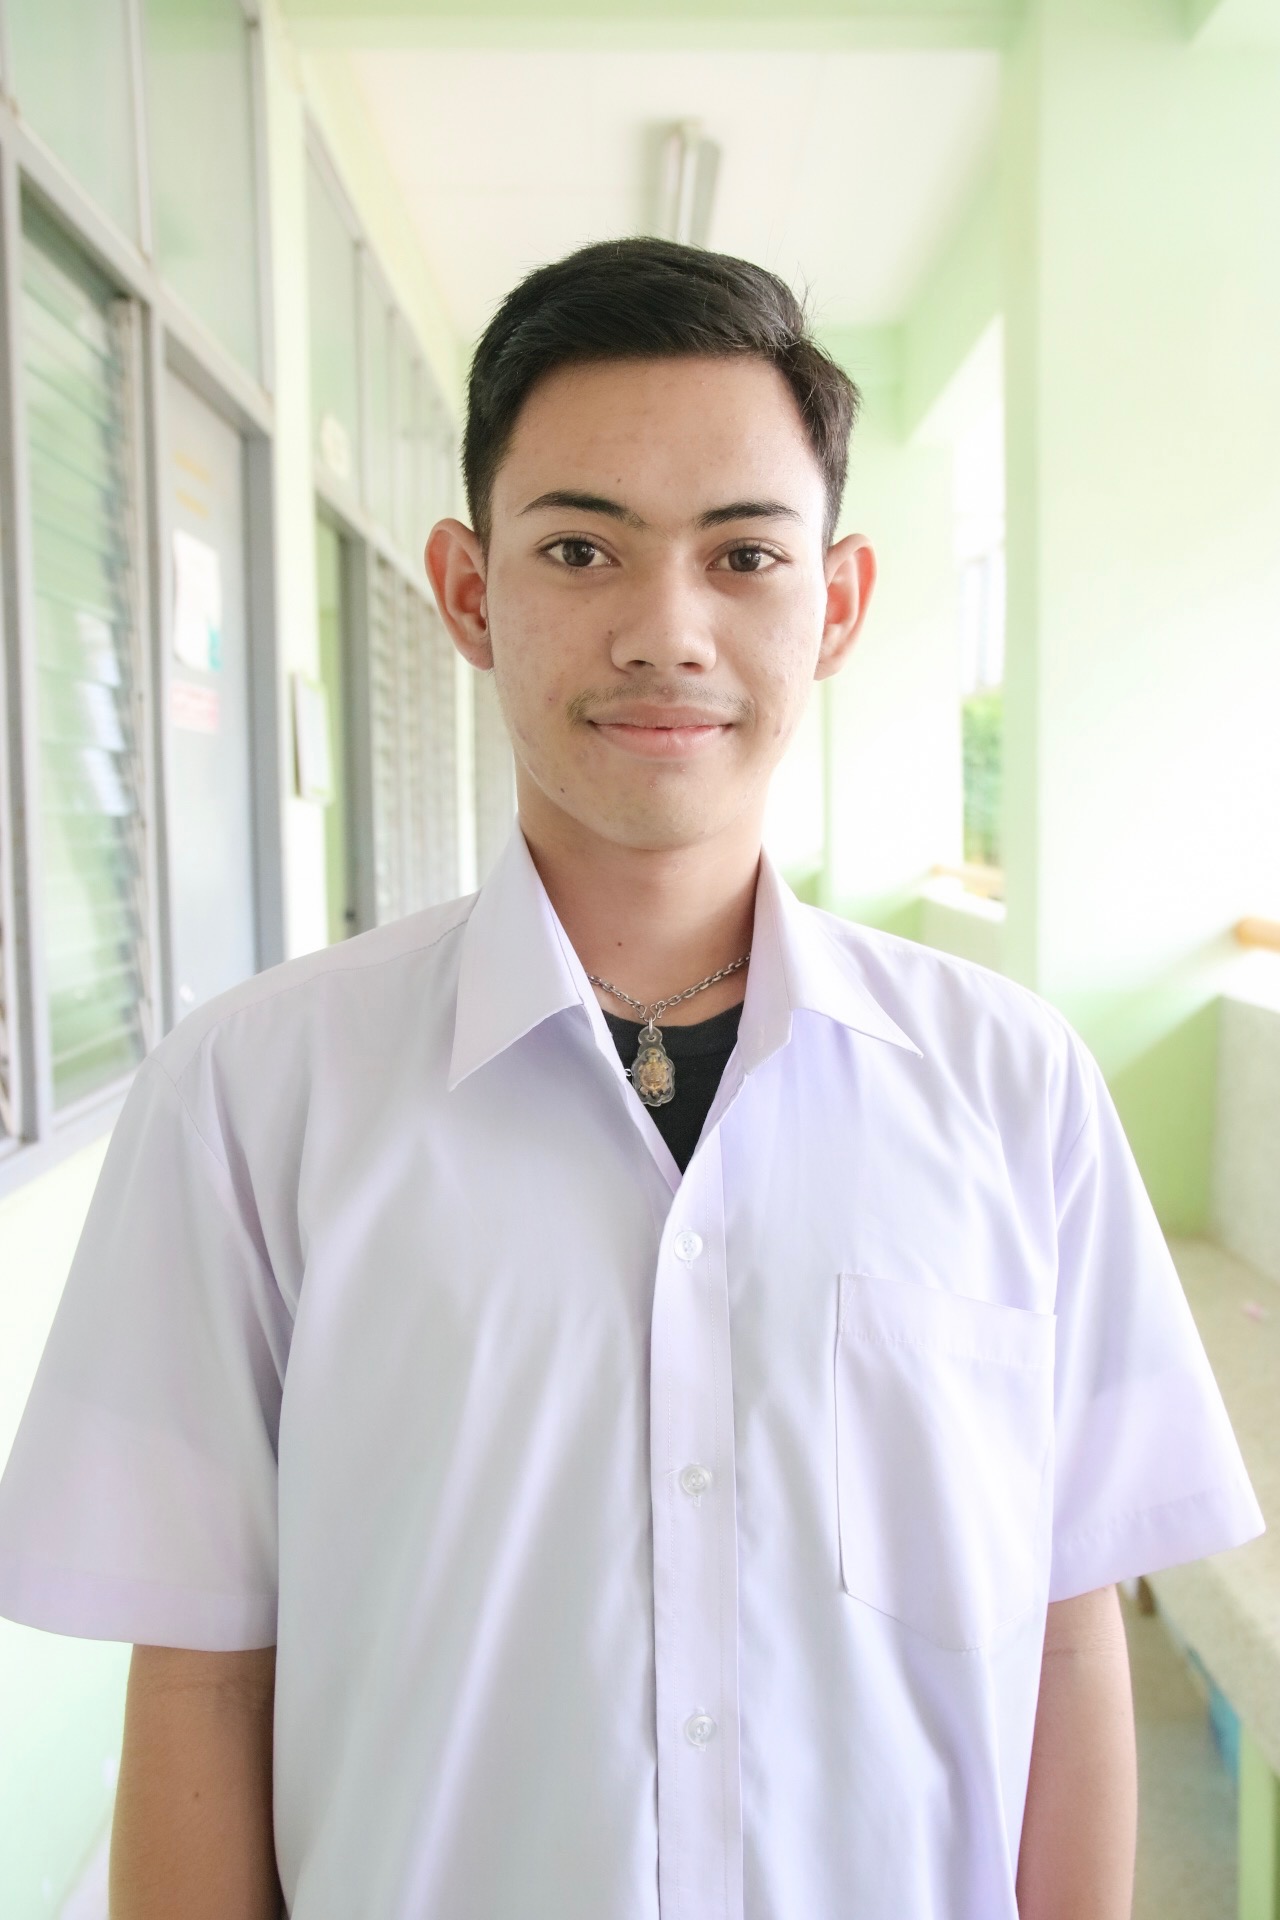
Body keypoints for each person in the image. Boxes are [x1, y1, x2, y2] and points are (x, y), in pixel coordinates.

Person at [0, 237, 1262, 1920]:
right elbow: (207, 1678)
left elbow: (1065, 1629)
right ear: (468, 591)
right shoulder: (255, 1098)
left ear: (838, 604)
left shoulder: (1010, 1091)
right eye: (580, 548)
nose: (667, 631)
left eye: (745, 555)